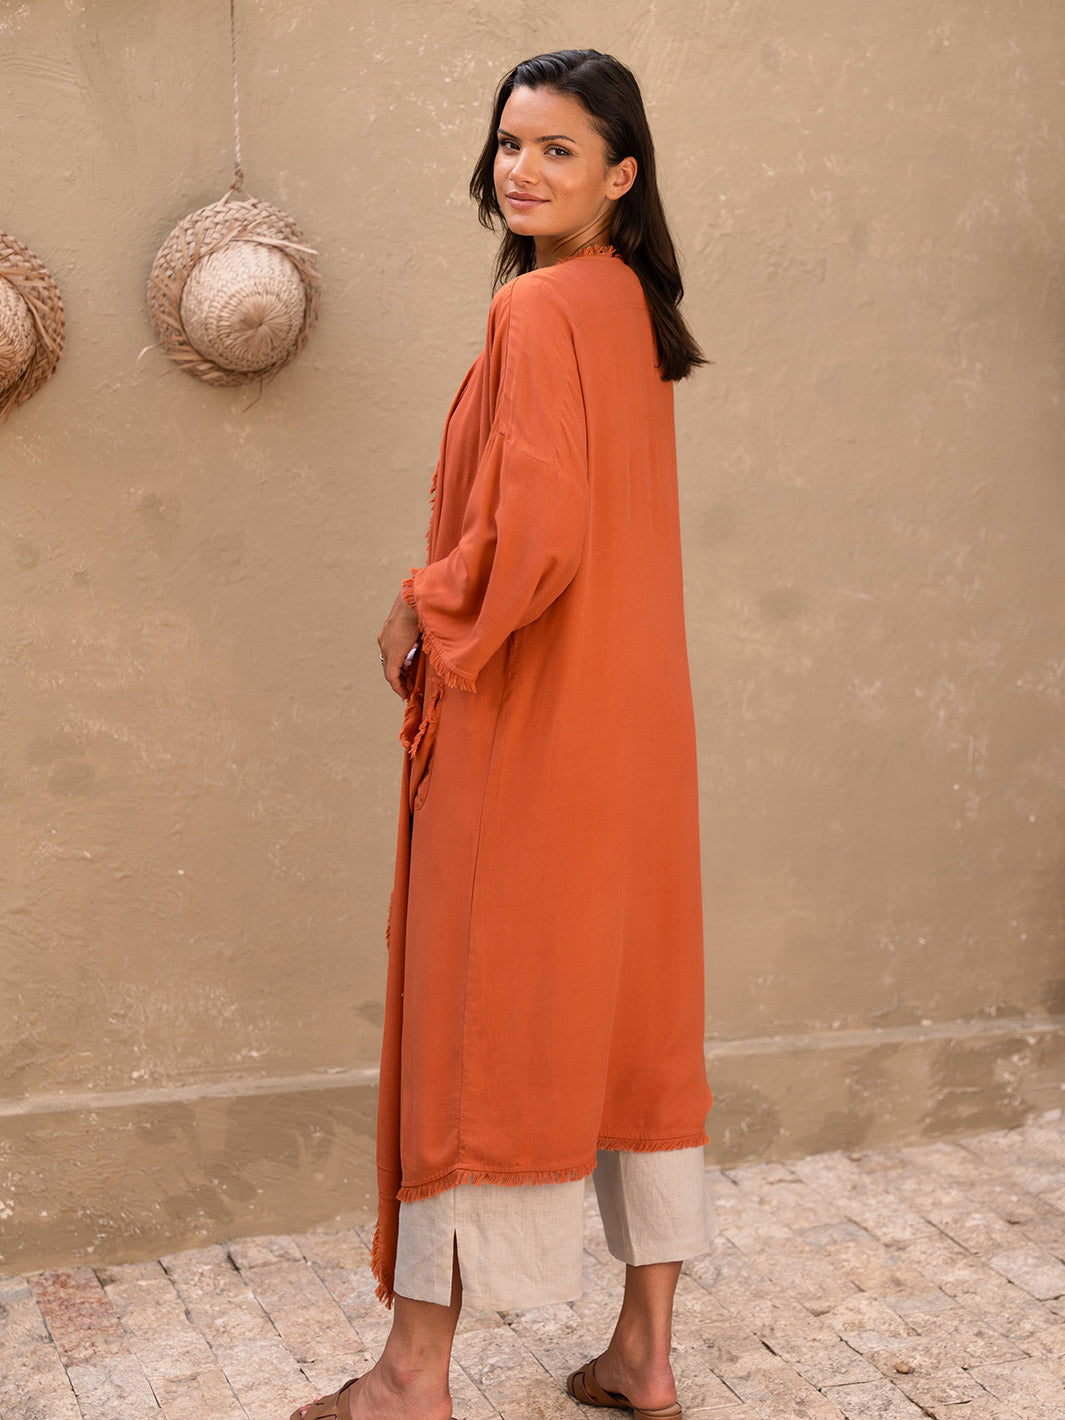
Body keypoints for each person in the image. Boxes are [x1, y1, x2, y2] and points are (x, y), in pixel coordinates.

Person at [292, 48, 712, 1420]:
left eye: (558, 149)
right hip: (637, 729)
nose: (521, 170)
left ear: (621, 174)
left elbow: (535, 534)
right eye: (510, 143)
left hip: (535, 721)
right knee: (637, 1019)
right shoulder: (631, 306)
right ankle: (643, 1352)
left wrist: (424, 601)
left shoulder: (536, 308)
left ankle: (411, 1374)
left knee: (477, 1017)